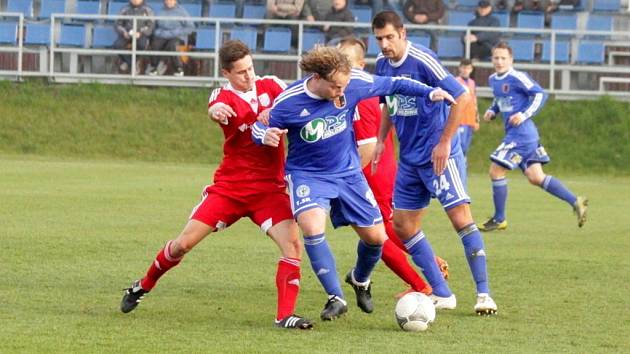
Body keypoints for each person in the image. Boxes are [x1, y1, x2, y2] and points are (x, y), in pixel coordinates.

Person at [252, 45, 456, 321]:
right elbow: (260, 125)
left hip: (348, 172)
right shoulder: (290, 101)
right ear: (318, 78)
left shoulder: (354, 83)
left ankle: (359, 279)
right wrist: (265, 135)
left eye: (344, 87)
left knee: (376, 239)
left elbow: (395, 83)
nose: (341, 93)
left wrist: (428, 92)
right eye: (335, 87)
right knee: (312, 227)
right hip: (308, 175)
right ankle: (336, 297)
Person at [120, 40, 314, 330]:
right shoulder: (222, 96)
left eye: (250, 68)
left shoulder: (271, 86)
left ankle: (285, 316)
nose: (249, 76)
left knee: (293, 245)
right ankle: (142, 286)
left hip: (268, 190)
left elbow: (297, 100)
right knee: (182, 244)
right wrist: (217, 112)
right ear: (226, 73)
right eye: (240, 73)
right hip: (230, 189)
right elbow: (216, 107)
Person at [371, 10, 497, 315]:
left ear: (402, 33)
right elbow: (388, 103)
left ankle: (484, 295)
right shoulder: (381, 64)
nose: (385, 44)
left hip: (439, 156)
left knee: (460, 219)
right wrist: (380, 139)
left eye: (389, 37)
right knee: (402, 225)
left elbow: (461, 98)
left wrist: (444, 143)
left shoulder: (422, 60)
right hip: (410, 160)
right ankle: (442, 292)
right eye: (379, 39)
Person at [337, 37, 449, 297]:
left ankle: (422, 285)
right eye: (338, 61)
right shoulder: (359, 91)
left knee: (375, 235)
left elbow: (365, 148)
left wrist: (341, 179)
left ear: (361, 65)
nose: (342, 67)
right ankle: (432, 265)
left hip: (369, 172)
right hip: (382, 168)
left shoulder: (360, 97)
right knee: (386, 228)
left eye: (348, 62)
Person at [479, 42, 588, 232]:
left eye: (503, 58)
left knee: (496, 171)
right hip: (523, 136)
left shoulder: (517, 77)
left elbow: (540, 95)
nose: (499, 61)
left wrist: (524, 114)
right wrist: (492, 110)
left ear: (511, 59)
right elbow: (500, 98)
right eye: (496, 57)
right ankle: (575, 201)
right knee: (536, 177)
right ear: (492, 59)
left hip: (521, 135)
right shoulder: (493, 79)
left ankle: (499, 218)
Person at [148, 0, 195, 76]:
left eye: (171, 0)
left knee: (173, 45)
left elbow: (190, 27)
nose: (168, 1)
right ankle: (154, 68)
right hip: (162, 35)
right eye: (166, 0)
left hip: (178, 36)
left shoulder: (182, 12)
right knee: (155, 44)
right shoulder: (160, 11)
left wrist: (176, 32)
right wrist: (159, 33)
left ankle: (178, 69)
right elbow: (154, 27)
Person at [113, 0, 154, 74]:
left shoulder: (148, 9)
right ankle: (132, 64)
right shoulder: (124, 9)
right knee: (117, 45)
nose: (135, 0)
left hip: (141, 34)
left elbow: (151, 25)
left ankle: (129, 62)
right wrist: (124, 32)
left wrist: (141, 33)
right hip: (127, 34)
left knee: (142, 45)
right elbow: (117, 24)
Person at [455, 58, 479, 158]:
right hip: (460, 120)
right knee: (460, 146)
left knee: (465, 148)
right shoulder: (456, 81)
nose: (466, 70)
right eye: (464, 68)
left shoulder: (472, 83)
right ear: (460, 68)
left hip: (470, 120)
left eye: (468, 68)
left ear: (471, 69)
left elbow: (474, 101)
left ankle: (462, 170)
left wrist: (477, 120)